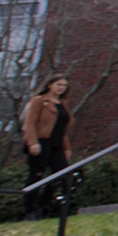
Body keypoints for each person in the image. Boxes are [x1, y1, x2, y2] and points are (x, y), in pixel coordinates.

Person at [21, 75, 72, 221]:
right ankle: (30, 211)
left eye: (64, 85)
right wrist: (33, 142)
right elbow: (30, 123)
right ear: (50, 85)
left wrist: (67, 148)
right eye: (58, 84)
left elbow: (62, 129)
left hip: (57, 145)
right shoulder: (39, 101)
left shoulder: (62, 103)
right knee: (36, 176)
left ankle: (41, 205)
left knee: (62, 176)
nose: (61, 88)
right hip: (41, 143)